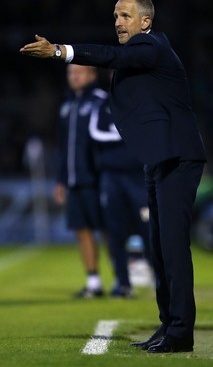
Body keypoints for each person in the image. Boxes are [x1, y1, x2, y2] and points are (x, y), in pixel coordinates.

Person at [20, 0, 206, 353]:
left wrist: (60, 51)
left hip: (178, 158)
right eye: (115, 15)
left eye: (124, 15)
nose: (117, 22)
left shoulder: (152, 47)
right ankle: (168, 324)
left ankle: (181, 331)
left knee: (172, 247)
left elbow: (110, 56)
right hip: (160, 158)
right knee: (159, 247)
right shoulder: (142, 52)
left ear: (145, 22)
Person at [89, 93, 152, 298]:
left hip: (138, 175)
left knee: (149, 228)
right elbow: (95, 132)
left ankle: (161, 277)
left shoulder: (143, 101)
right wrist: (126, 132)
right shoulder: (104, 104)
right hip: (112, 175)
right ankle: (122, 283)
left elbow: (151, 131)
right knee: (114, 231)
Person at [53, 64, 105, 299]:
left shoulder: (100, 101)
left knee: (110, 229)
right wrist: (61, 180)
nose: (74, 77)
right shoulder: (67, 105)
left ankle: (126, 276)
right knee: (81, 230)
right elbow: (63, 148)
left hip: (98, 179)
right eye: (70, 73)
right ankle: (93, 281)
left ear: (92, 75)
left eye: (79, 72)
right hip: (74, 181)